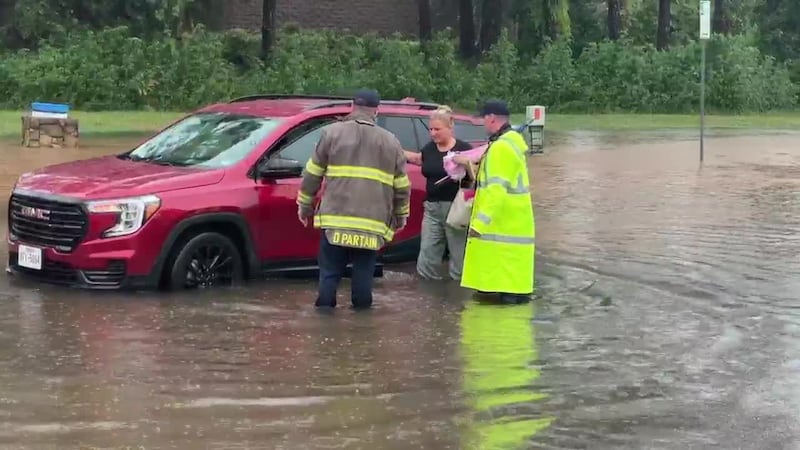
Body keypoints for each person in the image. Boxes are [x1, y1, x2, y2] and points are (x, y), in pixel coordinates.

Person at [296, 89, 411, 310]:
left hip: (335, 220)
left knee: (329, 274)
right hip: (371, 224)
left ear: (352, 106)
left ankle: (324, 320)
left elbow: (312, 174)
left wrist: (304, 206)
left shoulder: (331, 134)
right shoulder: (391, 142)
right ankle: (363, 324)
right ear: (376, 111)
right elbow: (401, 186)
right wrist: (401, 216)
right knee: (363, 275)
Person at [459, 100, 535, 304]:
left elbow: (496, 190)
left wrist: (478, 224)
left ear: (491, 118)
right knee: (508, 303)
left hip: (502, 232)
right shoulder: (508, 144)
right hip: (509, 232)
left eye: (483, 118)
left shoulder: (501, 148)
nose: (482, 123)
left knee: (505, 304)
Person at [404, 106, 473, 281]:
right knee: (427, 254)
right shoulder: (429, 149)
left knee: (459, 256)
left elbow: (475, 178)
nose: (433, 133)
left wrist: (465, 165)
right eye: (430, 129)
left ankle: (459, 292)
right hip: (432, 208)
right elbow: (418, 159)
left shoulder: (464, 149)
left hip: (456, 209)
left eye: (437, 129)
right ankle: (428, 292)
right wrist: (392, 148)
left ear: (450, 127)